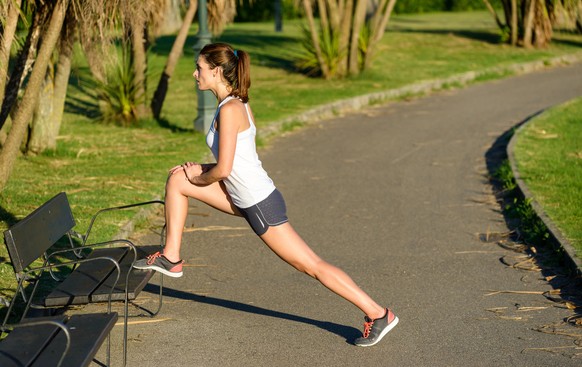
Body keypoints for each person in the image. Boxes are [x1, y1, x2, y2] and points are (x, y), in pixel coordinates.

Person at [133, 42, 398, 347]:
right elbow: (238, 160)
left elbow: (223, 170)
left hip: (260, 204)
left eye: (200, 68)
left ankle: (378, 313)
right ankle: (172, 257)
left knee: (311, 265)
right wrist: (198, 171)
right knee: (179, 179)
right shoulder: (235, 103)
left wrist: (202, 174)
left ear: (217, 71)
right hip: (245, 197)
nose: (195, 74)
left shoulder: (231, 109)